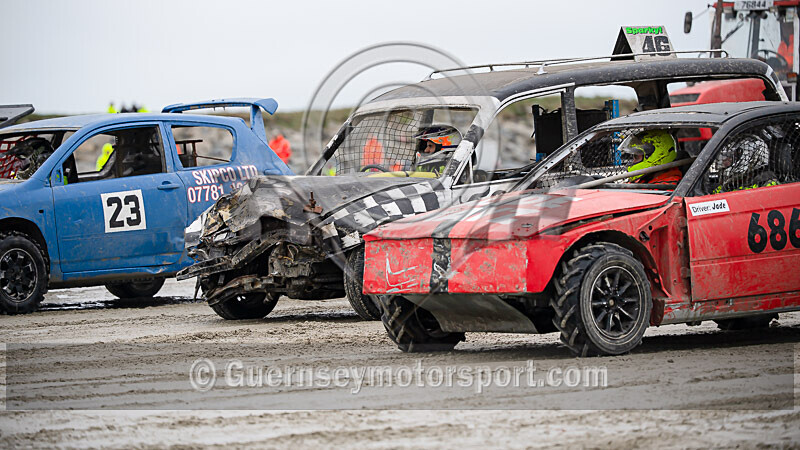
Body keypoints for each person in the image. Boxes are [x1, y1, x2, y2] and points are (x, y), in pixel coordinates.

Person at [710, 131, 779, 194]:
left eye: (730, 158)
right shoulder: (730, 184)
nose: (724, 162)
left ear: (749, 157)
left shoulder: (768, 185)